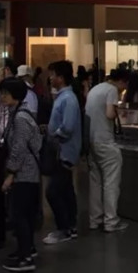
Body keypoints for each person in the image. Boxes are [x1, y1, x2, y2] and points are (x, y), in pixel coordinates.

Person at [0, 78, 42, 273]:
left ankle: (26, 257)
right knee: (24, 214)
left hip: (26, 173)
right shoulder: (17, 113)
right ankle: (27, 249)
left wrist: (11, 174)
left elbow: (19, 148)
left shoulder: (20, 118)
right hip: (26, 172)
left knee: (21, 215)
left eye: (6, 93)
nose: (2, 97)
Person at [42, 60, 81, 245]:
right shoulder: (63, 97)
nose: (51, 78)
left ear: (61, 77)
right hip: (61, 150)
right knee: (66, 191)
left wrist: (53, 136)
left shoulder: (68, 99)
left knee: (53, 192)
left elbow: (67, 127)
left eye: (53, 75)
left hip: (63, 152)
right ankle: (71, 226)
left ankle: (63, 228)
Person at [86, 68, 128, 234]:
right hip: (105, 141)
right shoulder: (111, 90)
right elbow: (110, 114)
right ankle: (111, 221)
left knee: (95, 182)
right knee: (111, 183)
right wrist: (119, 111)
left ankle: (94, 220)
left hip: (91, 140)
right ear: (121, 81)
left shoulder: (95, 88)